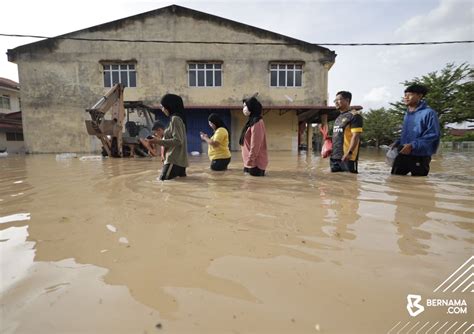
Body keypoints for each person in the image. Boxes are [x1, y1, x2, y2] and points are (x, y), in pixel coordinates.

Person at [391, 84, 440, 176]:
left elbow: (433, 134)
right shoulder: (407, 114)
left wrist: (413, 145)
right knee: (395, 180)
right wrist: (398, 142)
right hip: (403, 152)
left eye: (409, 95)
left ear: (420, 96)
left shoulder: (429, 113)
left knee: (420, 183)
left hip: (420, 155)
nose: (406, 97)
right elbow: (407, 133)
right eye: (405, 95)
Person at [147, 94, 189, 180]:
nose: (162, 109)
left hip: (173, 160)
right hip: (180, 162)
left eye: (163, 107)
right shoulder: (179, 119)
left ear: (169, 106)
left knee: (162, 183)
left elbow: (177, 140)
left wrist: (157, 141)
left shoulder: (175, 119)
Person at [330, 91, 363, 173]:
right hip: (335, 157)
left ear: (347, 100)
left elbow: (355, 136)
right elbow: (337, 135)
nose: (336, 102)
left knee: (350, 183)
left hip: (348, 157)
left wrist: (349, 153)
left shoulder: (355, 116)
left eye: (338, 100)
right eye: (335, 100)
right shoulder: (338, 118)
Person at [239, 96, 268, 176]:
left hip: (255, 164)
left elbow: (255, 145)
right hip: (249, 163)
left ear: (252, 107)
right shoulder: (250, 122)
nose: (244, 108)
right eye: (243, 106)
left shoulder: (257, 123)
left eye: (245, 106)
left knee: (253, 187)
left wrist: (250, 161)